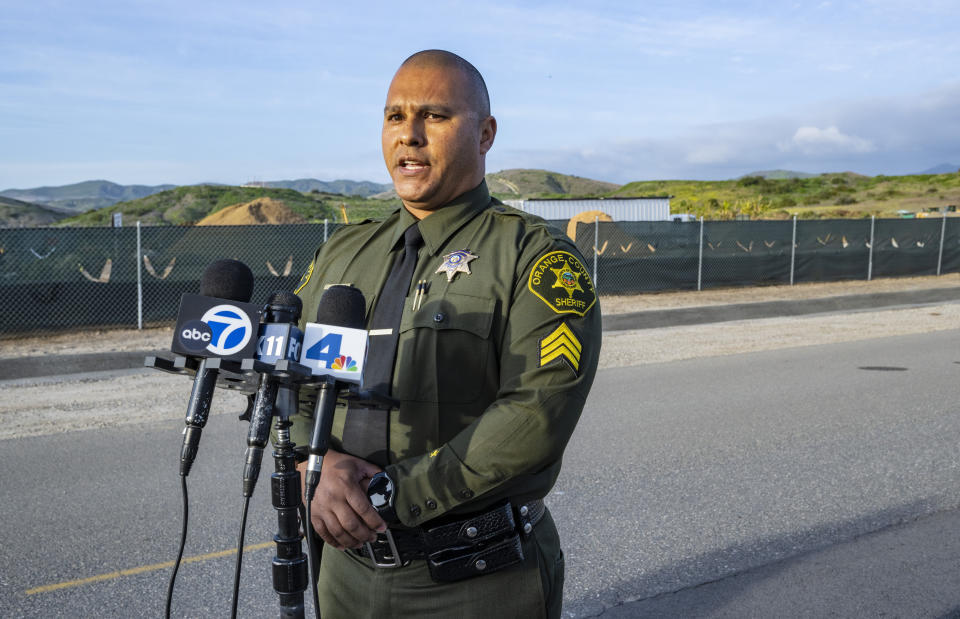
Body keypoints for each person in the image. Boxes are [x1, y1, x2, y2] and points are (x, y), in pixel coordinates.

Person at [290, 49, 601, 618]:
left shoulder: (537, 257)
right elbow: (301, 385)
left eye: (434, 116)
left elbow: (536, 415)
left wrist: (387, 496)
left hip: (475, 581)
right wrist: (316, 465)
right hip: (345, 575)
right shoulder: (341, 254)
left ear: (485, 134)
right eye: (394, 117)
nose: (408, 135)